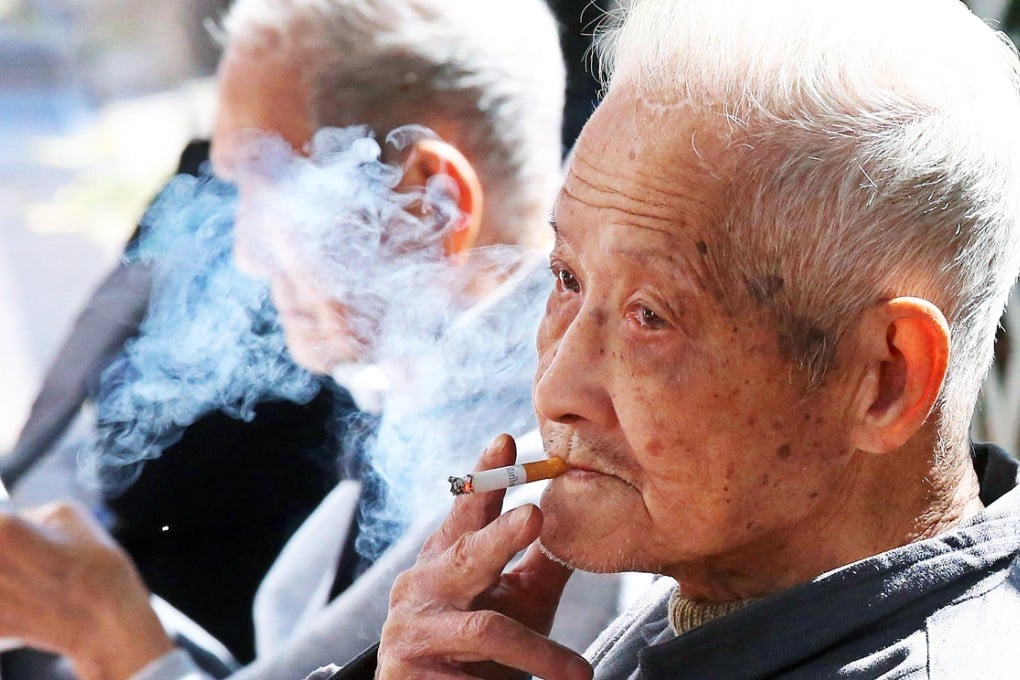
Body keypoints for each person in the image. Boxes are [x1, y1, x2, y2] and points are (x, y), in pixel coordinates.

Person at [316, 0, 1020, 678]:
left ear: (883, 378)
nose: (558, 391)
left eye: (650, 316)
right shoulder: (725, 605)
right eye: (566, 278)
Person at [0, 1, 626, 679]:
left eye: (263, 185)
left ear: (432, 197)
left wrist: (108, 634)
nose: (246, 254)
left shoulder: (545, 479)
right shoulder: (417, 420)